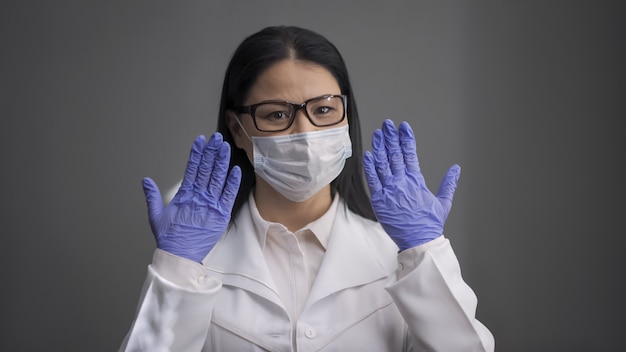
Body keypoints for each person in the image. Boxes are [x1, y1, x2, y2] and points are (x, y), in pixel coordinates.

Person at [119, 25, 495, 352]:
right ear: (237, 129)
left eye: (324, 110)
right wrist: (178, 268)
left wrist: (426, 251)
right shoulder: (199, 255)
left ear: (346, 116)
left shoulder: (395, 255)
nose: (305, 134)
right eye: (277, 114)